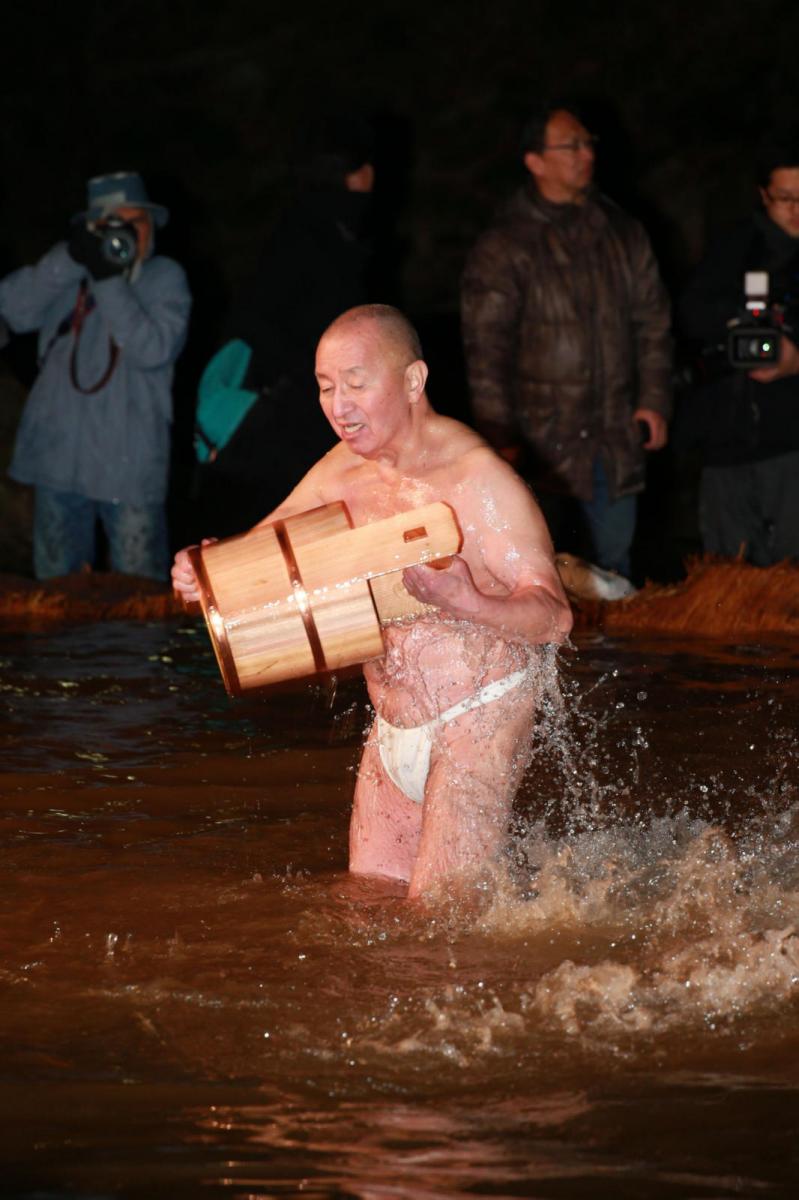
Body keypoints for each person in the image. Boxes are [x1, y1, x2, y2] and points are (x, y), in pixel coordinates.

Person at [173, 304, 573, 899]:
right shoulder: (341, 470)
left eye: (357, 384)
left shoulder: (480, 481)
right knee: (363, 905)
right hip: (392, 724)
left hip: (477, 721)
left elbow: (554, 618)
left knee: (437, 925)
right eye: (326, 387)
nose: (339, 406)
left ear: (414, 380)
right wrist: (202, 571)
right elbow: (260, 548)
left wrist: (469, 602)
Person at [460, 100, 672, 579]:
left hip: (614, 438)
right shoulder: (506, 244)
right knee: (545, 577)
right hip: (543, 449)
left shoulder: (621, 232)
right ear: (534, 161)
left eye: (587, 143)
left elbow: (653, 322)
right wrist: (498, 440)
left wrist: (654, 400)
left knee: (614, 575)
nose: (585, 154)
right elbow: (486, 351)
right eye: (570, 145)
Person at [0, 170, 191, 580]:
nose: (122, 233)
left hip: (129, 467)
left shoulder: (166, 278)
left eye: (133, 221)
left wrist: (107, 280)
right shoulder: (70, 272)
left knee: (139, 604)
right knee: (55, 602)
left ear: (149, 226)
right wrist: (70, 257)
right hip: (59, 464)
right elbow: (11, 309)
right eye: (108, 225)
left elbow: (152, 348)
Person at [195, 113, 376, 537]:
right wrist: (314, 380)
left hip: (302, 407)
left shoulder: (328, 230)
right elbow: (262, 320)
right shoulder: (314, 235)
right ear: (357, 171)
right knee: (290, 525)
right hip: (285, 416)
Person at [676, 141, 799, 565]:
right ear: (764, 195)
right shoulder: (733, 248)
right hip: (727, 441)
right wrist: (737, 324)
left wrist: (793, 359)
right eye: (786, 198)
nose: (797, 210)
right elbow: (690, 317)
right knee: (728, 580)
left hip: (792, 446)